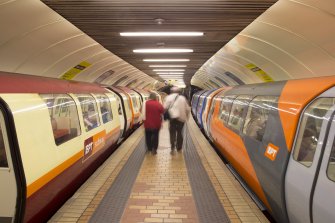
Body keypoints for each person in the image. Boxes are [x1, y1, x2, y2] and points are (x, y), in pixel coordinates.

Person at [164, 86, 191, 153]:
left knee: (172, 133)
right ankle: (179, 148)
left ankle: (172, 147)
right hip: (181, 119)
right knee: (179, 132)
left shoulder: (168, 98)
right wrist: (187, 117)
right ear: (179, 92)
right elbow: (187, 109)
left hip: (172, 118)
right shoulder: (183, 98)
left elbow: (164, 108)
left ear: (171, 91)